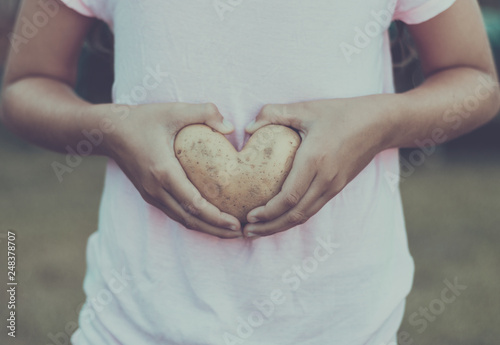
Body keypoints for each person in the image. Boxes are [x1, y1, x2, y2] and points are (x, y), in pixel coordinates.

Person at [2, 0, 499, 344]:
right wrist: (113, 128)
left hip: (343, 323)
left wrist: (376, 120)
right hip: (138, 323)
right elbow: (26, 84)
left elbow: (474, 79)